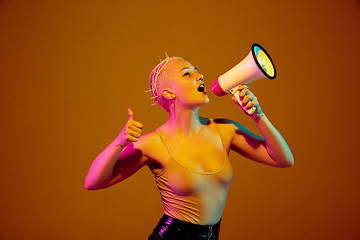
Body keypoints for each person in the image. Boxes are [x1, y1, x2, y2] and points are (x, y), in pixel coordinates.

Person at [84, 56, 294, 240]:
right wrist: (119, 143)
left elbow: (283, 159)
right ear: (168, 92)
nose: (200, 75)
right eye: (187, 73)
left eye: (197, 70)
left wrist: (258, 116)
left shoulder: (225, 130)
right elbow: (93, 182)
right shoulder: (154, 143)